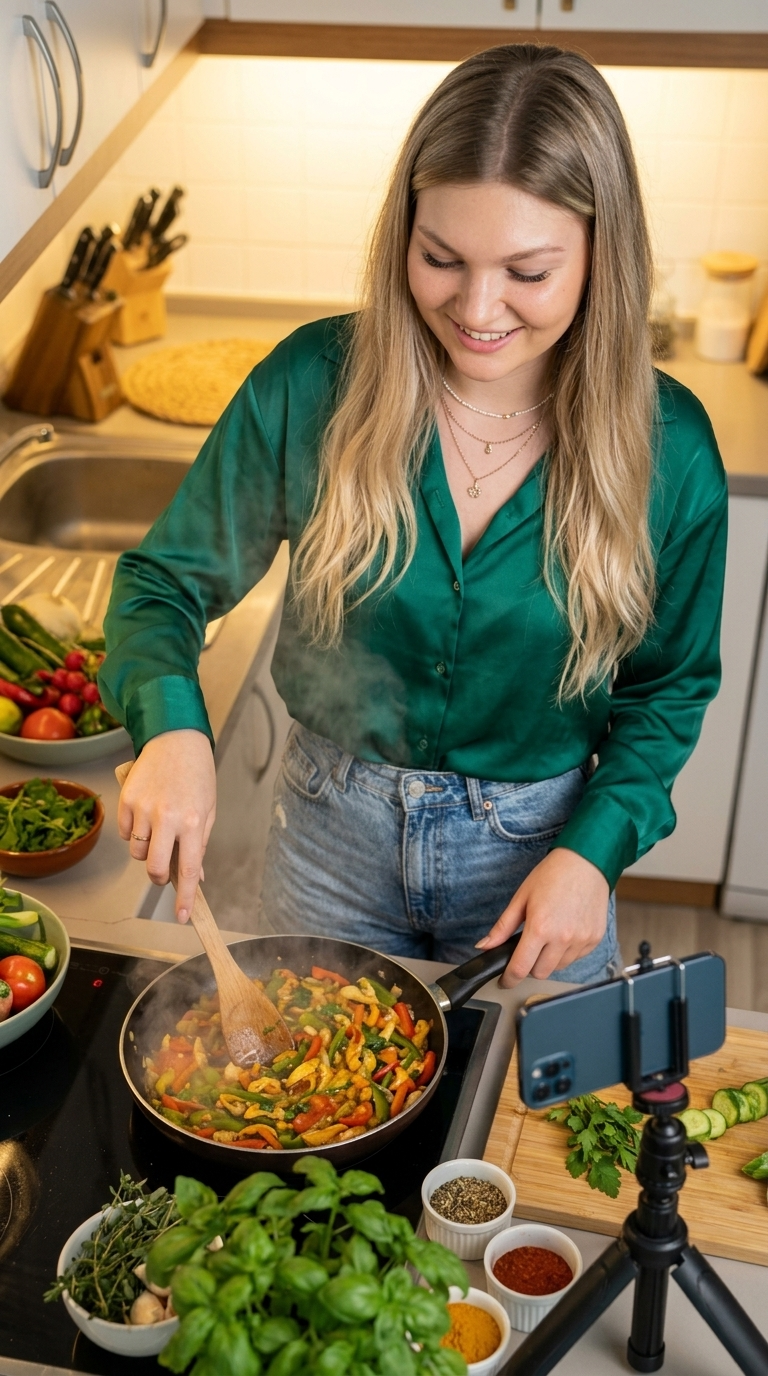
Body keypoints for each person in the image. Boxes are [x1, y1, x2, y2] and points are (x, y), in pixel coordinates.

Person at [101, 44, 727, 987]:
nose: (477, 308)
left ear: (603, 253)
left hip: (539, 862)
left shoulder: (670, 447)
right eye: (441, 258)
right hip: (323, 844)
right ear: (405, 233)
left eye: (528, 271)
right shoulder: (313, 384)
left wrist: (593, 852)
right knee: (307, 1114)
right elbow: (163, 584)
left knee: (527, 1128)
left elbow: (665, 692)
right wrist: (172, 729)